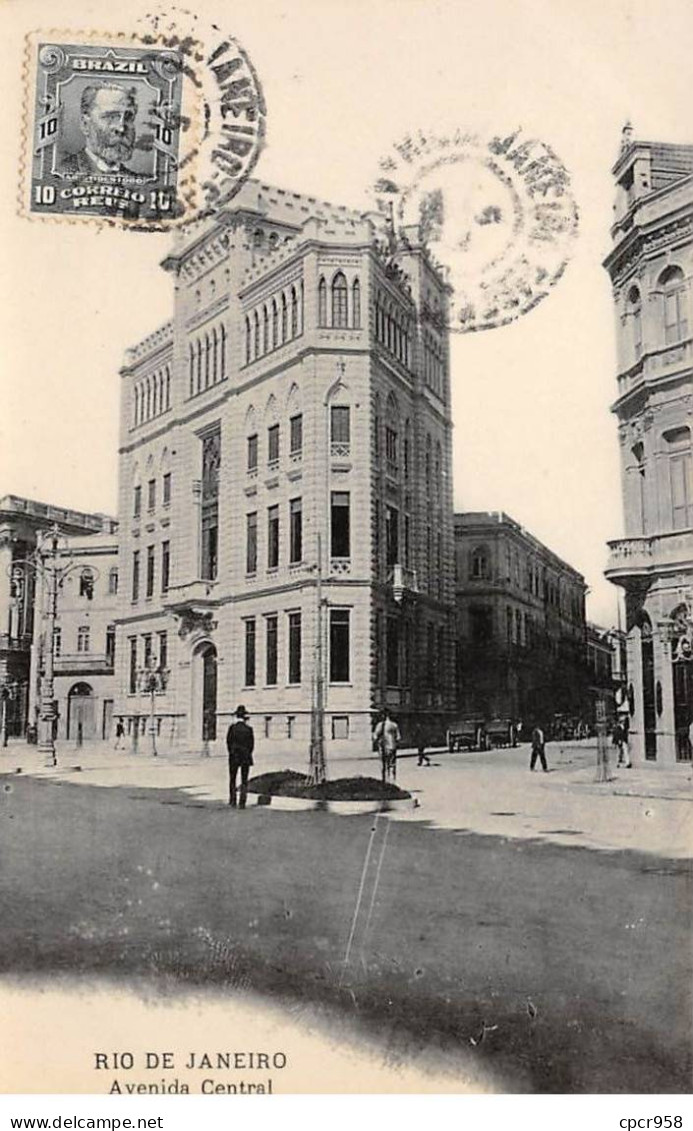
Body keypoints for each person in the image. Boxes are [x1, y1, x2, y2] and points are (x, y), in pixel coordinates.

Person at [59, 84, 138, 175]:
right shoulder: (61, 172)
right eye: (110, 117)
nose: (121, 128)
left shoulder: (138, 181)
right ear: (85, 124)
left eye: (128, 117)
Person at [226, 705, 254, 808]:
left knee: (232, 779)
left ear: (237, 716)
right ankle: (242, 802)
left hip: (234, 757)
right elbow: (251, 745)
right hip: (245, 757)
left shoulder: (232, 728)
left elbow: (228, 742)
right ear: (244, 716)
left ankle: (233, 800)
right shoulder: (249, 729)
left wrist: (232, 752)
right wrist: (247, 753)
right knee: (244, 780)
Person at [373, 709, 401, 783]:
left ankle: (385, 780)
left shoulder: (380, 725)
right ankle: (392, 781)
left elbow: (375, 736)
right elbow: (398, 738)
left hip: (383, 747)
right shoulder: (394, 725)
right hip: (392, 747)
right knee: (392, 764)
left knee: (383, 765)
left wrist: (377, 742)